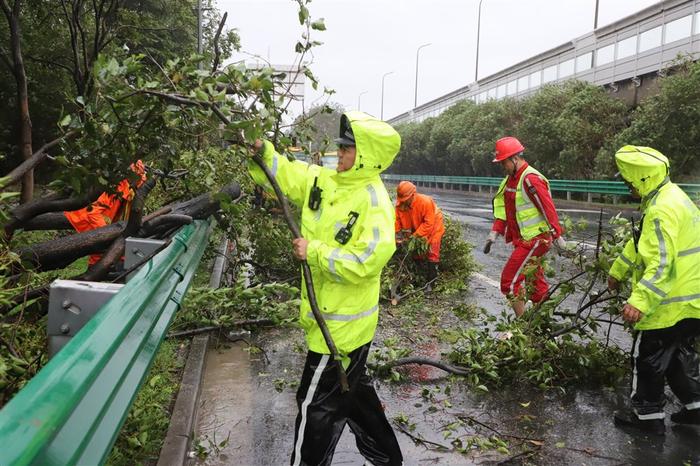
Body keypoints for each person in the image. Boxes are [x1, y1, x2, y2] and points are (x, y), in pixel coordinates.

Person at [248, 111, 403, 466]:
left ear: (366, 155)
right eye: (340, 148)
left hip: (342, 328)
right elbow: (287, 173)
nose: (339, 155)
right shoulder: (325, 179)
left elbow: (367, 260)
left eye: (347, 150)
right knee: (353, 394)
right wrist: (261, 151)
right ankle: (388, 458)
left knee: (313, 405)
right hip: (327, 319)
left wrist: (314, 252)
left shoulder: (374, 202)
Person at [607, 145, 700, 436]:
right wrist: (617, 270)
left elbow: (661, 263)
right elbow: (641, 246)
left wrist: (639, 300)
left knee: (646, 356)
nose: (627, 187)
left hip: (667, 302)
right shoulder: (673, 197)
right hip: (691, 300)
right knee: (674, 355)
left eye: (629, 181)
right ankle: (695, 407)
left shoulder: (661, 210)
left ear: (643, 178)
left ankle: (646, 419)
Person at [484, 136, 565, 317]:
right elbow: (504, 210)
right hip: (522, 240)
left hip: (535, 240)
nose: (502, 166)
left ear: (515, 158)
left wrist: (557, 234)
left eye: (503, 162)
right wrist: (495, 232)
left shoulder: (531, 179)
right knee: (535, 285)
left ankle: (524, 326)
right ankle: (543, 323)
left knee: (509, 282)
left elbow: (547, 208)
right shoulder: (509, 181)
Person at [64, 160, 147, 266]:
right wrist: (107, 233)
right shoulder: (116, 190)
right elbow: (93, 213)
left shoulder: (130, 192)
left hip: (105, 225)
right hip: (91, 221)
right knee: (98, 253)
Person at [394, 181, 445, 285]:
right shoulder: (400, 206)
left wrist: (414, 237)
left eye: (406, 199)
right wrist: (398, 238)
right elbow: (397, 223)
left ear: (413, 195)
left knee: (432, 251)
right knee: (417, 253)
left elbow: (428, 223)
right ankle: (419, 277)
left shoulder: (425, 202)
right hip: (417, 227)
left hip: (434, 225)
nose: (404, 202)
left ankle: (431, 283)